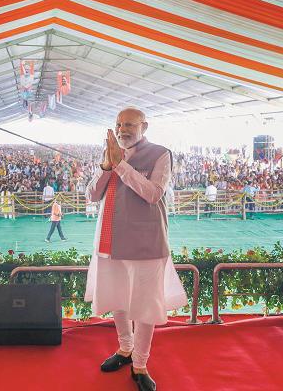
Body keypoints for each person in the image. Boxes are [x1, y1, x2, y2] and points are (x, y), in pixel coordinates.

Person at [84, 108, 187, 391]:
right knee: (118, 299)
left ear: (145, 126)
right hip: (110, 242)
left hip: (146, 243)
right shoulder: (112, 153)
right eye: (118, 124)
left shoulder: (160, 153)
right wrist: (108, 166)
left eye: (129, 124)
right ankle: (125, 349)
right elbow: (92, 195)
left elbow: (153, 193)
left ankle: (140, 364)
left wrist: (121, 166)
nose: (122, 129)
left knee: (144, 305)